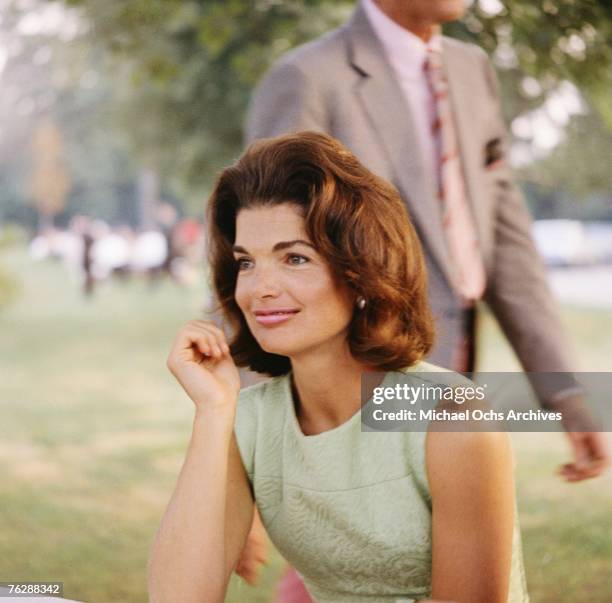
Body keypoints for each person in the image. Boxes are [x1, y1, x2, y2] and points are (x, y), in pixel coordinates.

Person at [148, 132, 529, 602]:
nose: (260, 288)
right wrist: (211, 412)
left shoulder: (452, 419)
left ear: (360, 271)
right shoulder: (247, 422)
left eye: (294, 258)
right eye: (247, 262)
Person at [245, 0, 608, 482]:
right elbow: (263, 258)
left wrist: (565, 393)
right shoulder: (308, 79)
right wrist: (250, 453)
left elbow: (506, 239)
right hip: (355, 396)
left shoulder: (471, 69)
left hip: (453, 381)